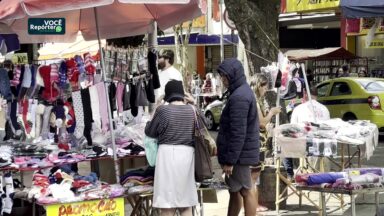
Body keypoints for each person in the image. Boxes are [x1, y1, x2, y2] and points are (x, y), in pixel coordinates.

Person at [145, 80, 197, 216]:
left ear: (167, 95)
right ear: (182, 94)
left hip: (166, 155)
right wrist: (193, 102)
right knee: (186, 202)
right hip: (187, 155)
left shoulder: (163, 111)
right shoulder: (192, 110)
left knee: (167, 204)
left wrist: (156, 107)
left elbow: (150, 132)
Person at [216, 58, 259, 216]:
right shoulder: (240, 92)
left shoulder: (239, 96)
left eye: (225, 76)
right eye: (222, 76)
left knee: (245, 191)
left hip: (239, 156)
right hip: (240, 154)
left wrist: (230, 161)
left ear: (233, 75)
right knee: (235, 191)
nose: (223, 79)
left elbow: (237, 133)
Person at [249, 74, 281, 212]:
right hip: (256, 143)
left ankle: (254, 205)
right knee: (253, 177)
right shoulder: (254, 101)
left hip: (258, 143)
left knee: (254, 177)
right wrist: (272, 113)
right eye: (264, 86)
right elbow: (262, 123)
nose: (266, 89)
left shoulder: (256, 101)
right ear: (258, 86)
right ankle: (252, 206)